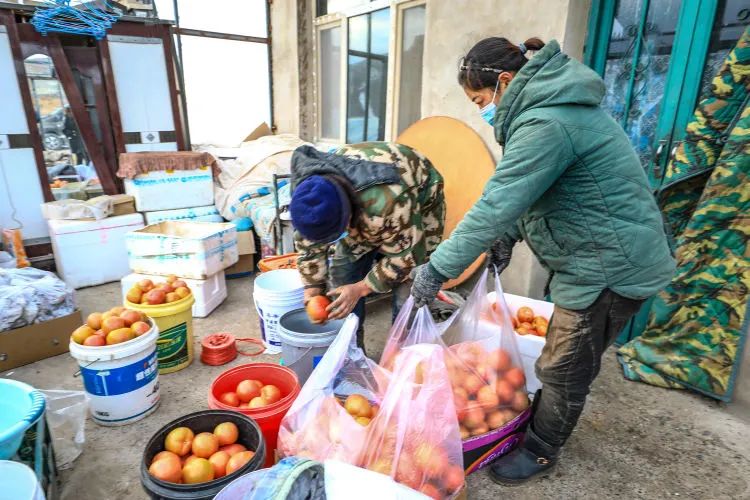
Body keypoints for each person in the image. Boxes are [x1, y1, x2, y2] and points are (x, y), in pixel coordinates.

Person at [411, 37, 675, 484]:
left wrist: (438, 267)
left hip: (610, 266)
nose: (481, 110)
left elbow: (496, 202)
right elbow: (536, 196)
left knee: (564, 368)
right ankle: (540, 421)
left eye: (479, 100)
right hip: (592, 257)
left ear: (506, 82)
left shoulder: (547, 124)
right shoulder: (549, 113)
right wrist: (508, 237)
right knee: (562, 358)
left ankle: (540, 449)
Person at [290, 142, 445, 352]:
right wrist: (312, 289)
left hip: (417, 193)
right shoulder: (309, 199)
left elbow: (406, 258)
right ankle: (354, 353)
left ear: (347, 216)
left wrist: (362, 288)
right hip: (360, 204)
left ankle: (403, 356)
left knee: (409, 289)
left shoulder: (389, 201)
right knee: (342, 276)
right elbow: (309, 247)